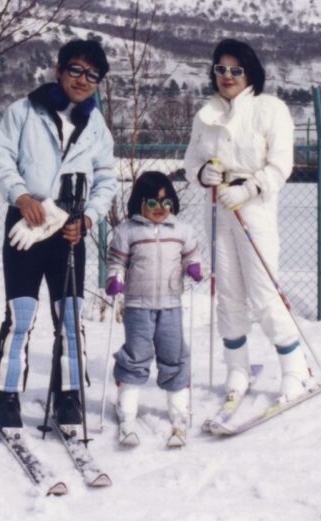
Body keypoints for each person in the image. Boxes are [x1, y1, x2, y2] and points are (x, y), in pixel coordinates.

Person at [0, 39, 117, 433]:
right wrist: (21, 195)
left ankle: (69, 393)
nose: (82, 80)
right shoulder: (24, 111)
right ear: (59, 70)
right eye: (75, 69)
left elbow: (106, 178)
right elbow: (0, 159)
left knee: (70, 317)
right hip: (26, 223)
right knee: (21, 314)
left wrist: (89, 219)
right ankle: (6, 395)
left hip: (69, 230)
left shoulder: (96, 125)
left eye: (92, 75)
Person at [183, 38, 311, 405]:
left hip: (253, 209)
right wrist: (201, 174)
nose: (227, 76)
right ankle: (237, 366)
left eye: (235, 70)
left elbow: (281, 165)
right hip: (218, 211)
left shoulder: (269, 109)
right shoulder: (206, 114)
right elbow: (191, 161)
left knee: (262, 290)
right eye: (220, 69)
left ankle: (294, 367)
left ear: (249, 73)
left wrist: (250, 187)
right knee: (227, 294)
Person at [105, 171, 202, 444]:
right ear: (139, 203)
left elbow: (192, 253)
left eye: (167, 203)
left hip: (171, 304)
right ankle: (127, 407)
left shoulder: (182, 231)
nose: (160, 209)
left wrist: (193, 267)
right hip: (137, 304)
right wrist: (115, 278)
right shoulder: (127, 232)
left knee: (174, 353)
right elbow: (116, 262)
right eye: (153, 203)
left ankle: (179, 409)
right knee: (137, 354)